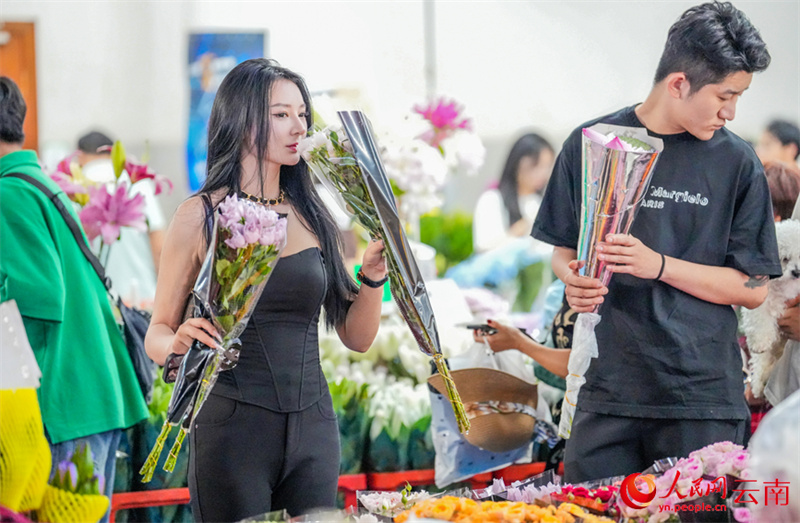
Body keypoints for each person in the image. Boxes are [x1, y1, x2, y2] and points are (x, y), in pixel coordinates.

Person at [530, 2, 781, 482]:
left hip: (699, 400)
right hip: (606, 393)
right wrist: (571, 278)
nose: (731, 112)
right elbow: (563, 248)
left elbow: (751, 288)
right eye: (725, 95)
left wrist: (659, 265)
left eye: (739, 97)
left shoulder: (737, 164)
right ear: (678, 84)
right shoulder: (594, 143)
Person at [144, 59, 386, 521]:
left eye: (302, 114)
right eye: (281, 114)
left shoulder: (316, 216)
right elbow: (157, 330)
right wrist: (175, 344)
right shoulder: (201, 216)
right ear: (241, 119)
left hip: (314, 429)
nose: (298, 126)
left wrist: (372, 278)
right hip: (233, 431)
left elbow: (357, 337)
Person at [0, 77, 148, 521]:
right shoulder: (40, 184)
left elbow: (37, 298)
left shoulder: (8, 193)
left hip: (60, 408)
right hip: (90, 398)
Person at [76, 130, 166, 305]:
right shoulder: (137, 182)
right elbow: (159, 245)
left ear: (80, 156)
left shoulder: (77, 186)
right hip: (143, 298)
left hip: (97, 302)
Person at [472, 133, 555, 253]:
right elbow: (484, 250)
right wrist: (518, 231)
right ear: (518, 163)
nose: (544, 174)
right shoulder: (492, 200)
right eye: (538, 166)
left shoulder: (541, 203)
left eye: (547, 167)